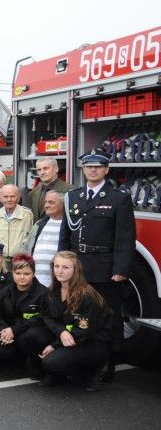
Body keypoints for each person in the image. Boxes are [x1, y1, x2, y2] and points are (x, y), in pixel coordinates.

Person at [64, 153, 135, 383]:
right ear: (83, 170)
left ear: (107, 170)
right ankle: (80, 361)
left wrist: (121, 269)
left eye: (98, 167)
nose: (93, 170)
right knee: (77, 315)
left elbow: (125, 237)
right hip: (78, 268)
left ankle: (107, 363)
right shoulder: (73, 197)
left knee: (107, 318)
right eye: (88, 167)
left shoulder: (118, 198)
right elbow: (65, 236)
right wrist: (62, 265)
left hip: (105, 268)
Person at [22, 251, 112, 390]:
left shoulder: (86, 295)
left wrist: (54, 346)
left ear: (75, 270)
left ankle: (91, 372)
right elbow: (47, 317)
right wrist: (61, 332)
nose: (59, 271)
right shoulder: (53, 291)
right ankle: (57, 375)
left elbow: (84, 332)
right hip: (69, 336)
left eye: (65, 267)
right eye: (56, 266)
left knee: (51, 361)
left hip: (92, 342)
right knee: (31, 336)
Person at [0, 253, 48, 375]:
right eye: (18, 273)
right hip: (10, 333)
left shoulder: (43, 293)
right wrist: (4, 331)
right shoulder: (4, 293)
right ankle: (17, 360)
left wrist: (14, 330)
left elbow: (41, 319)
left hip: (31, 334)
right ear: (13, 273)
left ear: (34, 274)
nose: (22, 277)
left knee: (31, 336)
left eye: (27, 274)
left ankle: (35, 362)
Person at [25, 190, 68, 287]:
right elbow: (27, 248)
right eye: (45, 202)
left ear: (63, 204)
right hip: (36, 282)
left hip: (58, 282)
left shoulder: (69, 226)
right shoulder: (39, 224)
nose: (46, 206)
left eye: (51, 202)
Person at [0, 184, 34, 258]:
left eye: (12, 196)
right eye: (5, 197)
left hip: (20, 259)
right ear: (0, 198)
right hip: (1, 259)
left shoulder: (27, 214)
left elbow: (31, 238)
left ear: (18, 197)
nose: (9, 199)